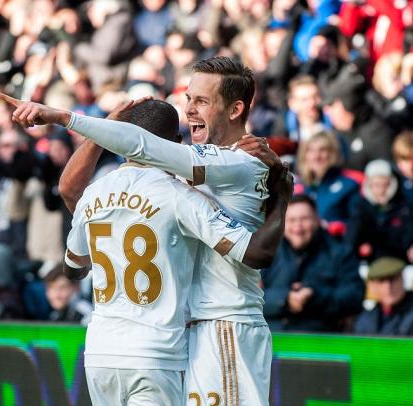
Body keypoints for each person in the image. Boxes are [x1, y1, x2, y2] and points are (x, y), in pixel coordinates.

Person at [0, 56, 283, 405]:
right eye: (189, 99)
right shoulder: (180, 175)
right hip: (184, 331)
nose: (190, 111)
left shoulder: (237, 160)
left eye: (202, 101)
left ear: (236, 109)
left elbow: (143, 146)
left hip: (224, 320)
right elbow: (74, 190)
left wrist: (62, 117)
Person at [60, 100, 290, 405]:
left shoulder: (94, 193)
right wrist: (282, 195)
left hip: (100, 352)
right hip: (154, 353)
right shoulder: (177, 195)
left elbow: (73, 268)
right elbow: (254, 254)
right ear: (175, 145)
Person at [262, 194, 365, 332]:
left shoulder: (339, 252)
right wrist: (285, 299)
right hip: (273, 339)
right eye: (291, 220)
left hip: (323, 341)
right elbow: (247, 296)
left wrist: (316, 297)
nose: (298, 227)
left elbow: (355, 297)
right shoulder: (267, 252)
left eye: (304, 219)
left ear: (317, 219)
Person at [354, 257, 413, 336]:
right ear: (370, 285)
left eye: (393, 279)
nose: (388, 287)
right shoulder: (364, 320)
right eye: (381, 280)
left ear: (402, 278)